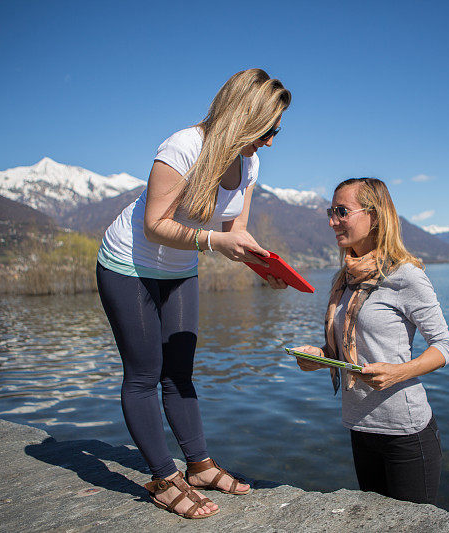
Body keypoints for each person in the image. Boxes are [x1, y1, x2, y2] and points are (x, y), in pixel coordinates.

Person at [96, 68, 291, 519]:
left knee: (180, 373)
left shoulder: (250, 162)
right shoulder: (184, 146)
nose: (272, 140)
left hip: (180, 265)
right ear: (245, 114)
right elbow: (155, 224)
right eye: (268, 129)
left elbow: (233, 230)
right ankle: (163, 477)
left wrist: (262, 265)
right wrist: (216, 243)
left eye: (277, 130)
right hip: (128, 264)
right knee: (144, 373)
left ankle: (199, 465)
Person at [293, 177, 449, 505]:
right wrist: (319, 356)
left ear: (375, 216)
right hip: (360, 427)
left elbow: (444, 346)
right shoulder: (344, 280)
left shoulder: (405, 276)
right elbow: (346, 348)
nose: (332, 221)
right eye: (331, 211)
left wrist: (399, 372)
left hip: (406, 435)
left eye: (341, 212)